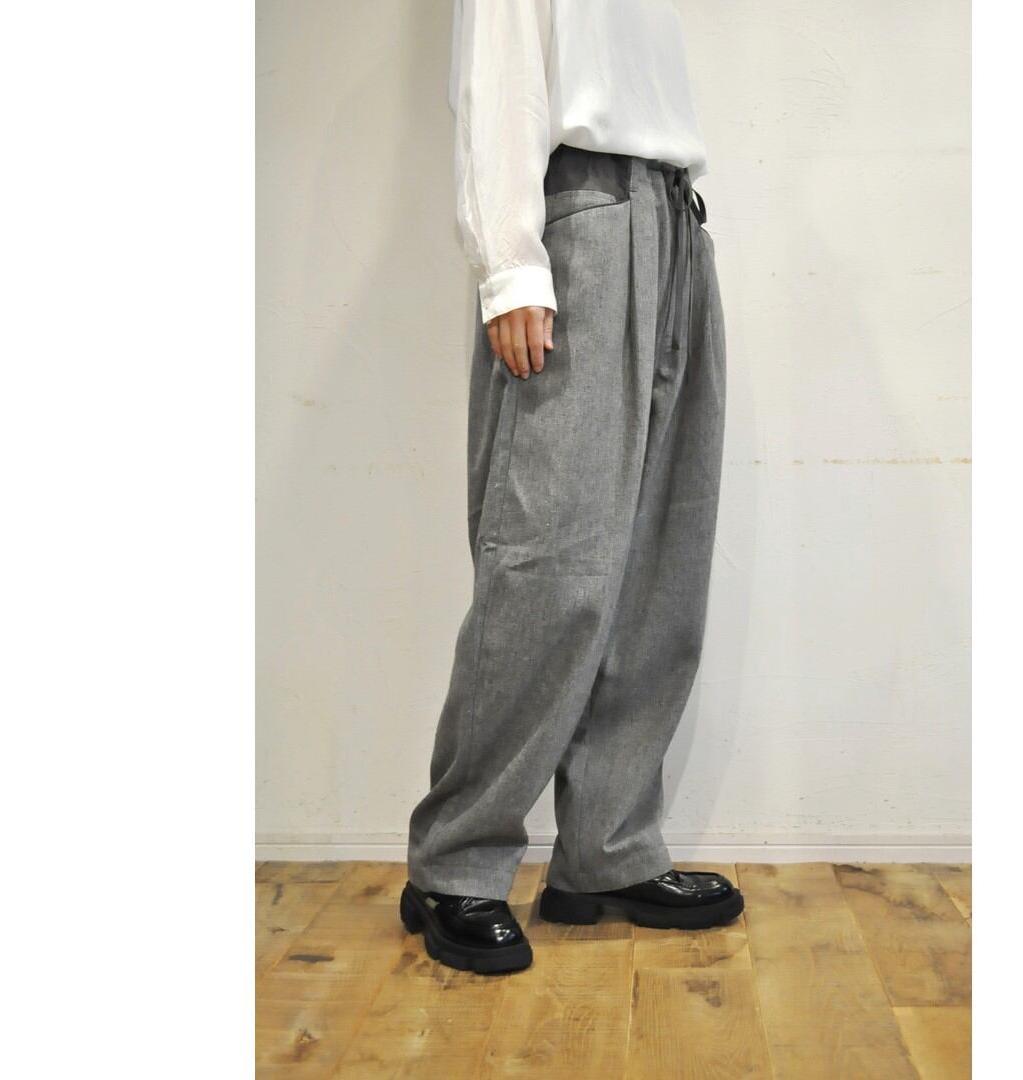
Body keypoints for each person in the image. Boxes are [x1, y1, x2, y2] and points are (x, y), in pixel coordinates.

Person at [401, 0, 736, 975]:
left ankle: (607, 849)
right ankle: (455, 864)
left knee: (659, 563)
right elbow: (497, 66)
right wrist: (509, 264)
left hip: (673, 216)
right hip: (583, 217)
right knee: (550, 564)